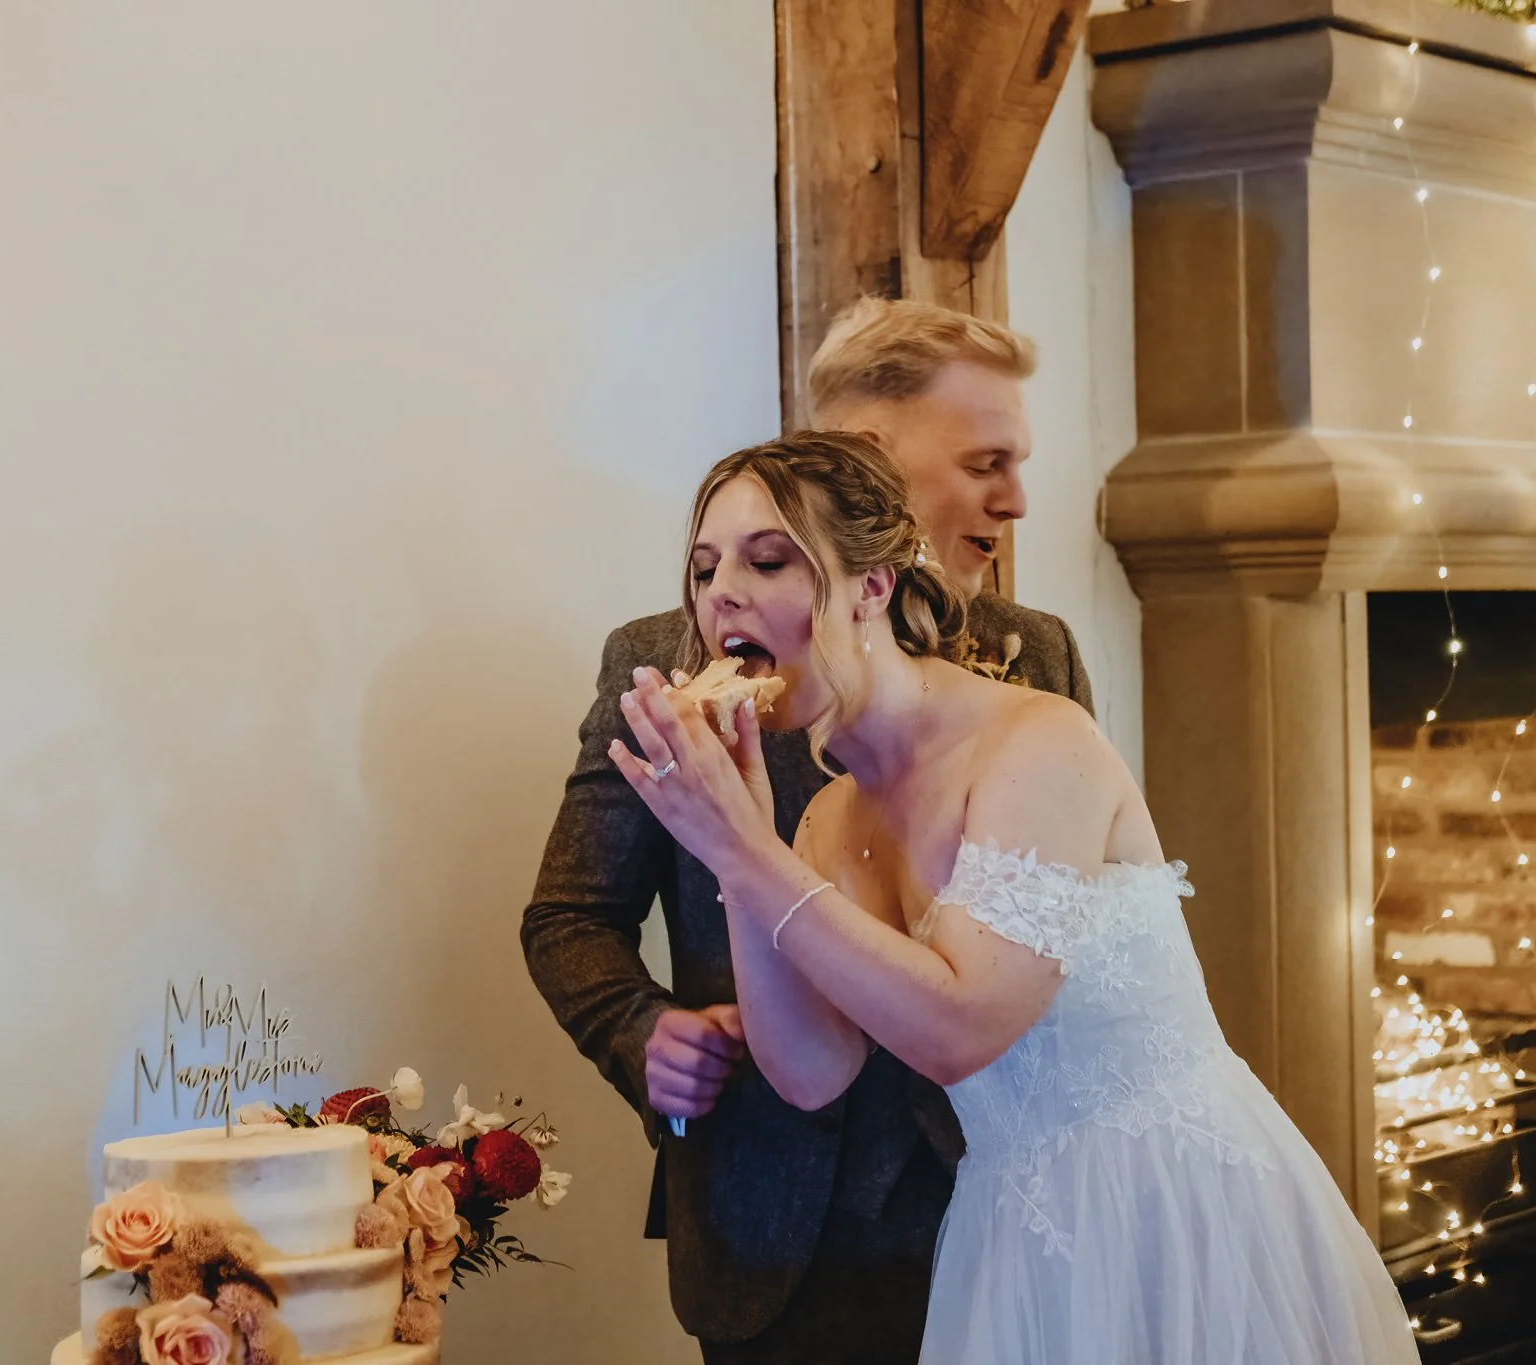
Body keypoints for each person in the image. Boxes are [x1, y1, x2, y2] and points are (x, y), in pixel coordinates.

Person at [610, 430, 1422, 1365]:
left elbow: (964, 1025)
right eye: (706, 569)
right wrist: (737, 847)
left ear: (873, 585)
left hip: (1175, 1210)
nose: (721, 595)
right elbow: (810, 1071)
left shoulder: (1038, 744)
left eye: (767, 559)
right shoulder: (827, 823)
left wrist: (746, 853)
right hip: (1015, 1234)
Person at [521, 300, 1092, 1362]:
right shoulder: (666, 664)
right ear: (868, 456)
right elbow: (569, 912)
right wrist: (640, 1035)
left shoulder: (1036, 662)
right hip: (771, 1211)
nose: (1011, 500)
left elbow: (1062, 950)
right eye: (983, 461)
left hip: (1006, 1198)